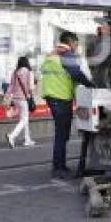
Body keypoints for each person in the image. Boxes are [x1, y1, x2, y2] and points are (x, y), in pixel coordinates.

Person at [41, 31, 94, 179]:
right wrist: (91, 85)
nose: (76, 48)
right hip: (61, 98)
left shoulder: (51, 55)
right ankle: (58, 167)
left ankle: (59, 165)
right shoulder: (67, 55)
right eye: (76, 44)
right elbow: (77, 74)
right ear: (70, 42)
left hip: (51, 96)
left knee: (60, 133)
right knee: (62, 134)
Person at [4, 56, 36, 148]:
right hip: (24, 99)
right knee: (24, 119)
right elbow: (31, 87)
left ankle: (27, 139)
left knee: (24, 118)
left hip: (15, 99)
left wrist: (6, 97)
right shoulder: (29, 72)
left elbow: (11, 86)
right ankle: (12, 136)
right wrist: (32, 96)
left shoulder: (15, 72)